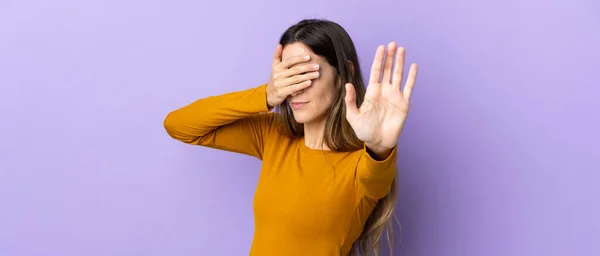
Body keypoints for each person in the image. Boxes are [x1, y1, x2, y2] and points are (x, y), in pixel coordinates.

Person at [163, 18, 418, 256]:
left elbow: (377, 177)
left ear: (342, 74)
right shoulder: (273, 136)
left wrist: (379, 146)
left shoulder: (360, 164)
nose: (295, 89)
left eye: (307, 73)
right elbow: (179, 125)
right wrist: (265, 94)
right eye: (288, 75)